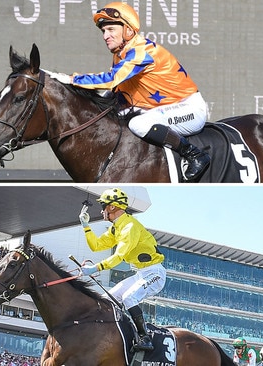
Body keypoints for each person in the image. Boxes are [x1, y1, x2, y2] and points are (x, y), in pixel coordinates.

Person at [56, 2, 210, 181]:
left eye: (111, 29)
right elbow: (116, 91)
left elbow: (111, 79)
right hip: (161, 108)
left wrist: (70, 79)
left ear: (128, 30)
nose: (106, 36)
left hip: (189, 110)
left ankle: (195, 155)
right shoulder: (120, 54)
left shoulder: (141, 52)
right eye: (103, 31)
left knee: (139, 124)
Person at [78, 188, 166, 351]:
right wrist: (86, 226)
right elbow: (96, 246)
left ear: (112, 207)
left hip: (155, 273)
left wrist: (94, 269)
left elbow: (118, 257)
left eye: (103, 206)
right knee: (106, 299)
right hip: (141, 274)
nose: (102, 210)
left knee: (129, 298)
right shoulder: (116, 228)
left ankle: (144, 337)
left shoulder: (129, 227)